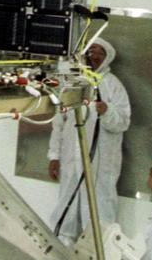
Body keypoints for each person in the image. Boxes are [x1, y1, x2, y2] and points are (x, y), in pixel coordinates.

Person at [47, 36, 130, 244]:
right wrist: (54, 156)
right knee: (68, 200)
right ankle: (62, 245)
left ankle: (96, 249)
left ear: (107, 58)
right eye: (91, 50)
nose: (94, 55)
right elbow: (59, 122)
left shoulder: (113, 86)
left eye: (100, 52)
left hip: (101, 166)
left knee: (98, 207)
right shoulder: (72, 84)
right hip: (70, 160)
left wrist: (106, 110)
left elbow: (123, 122)